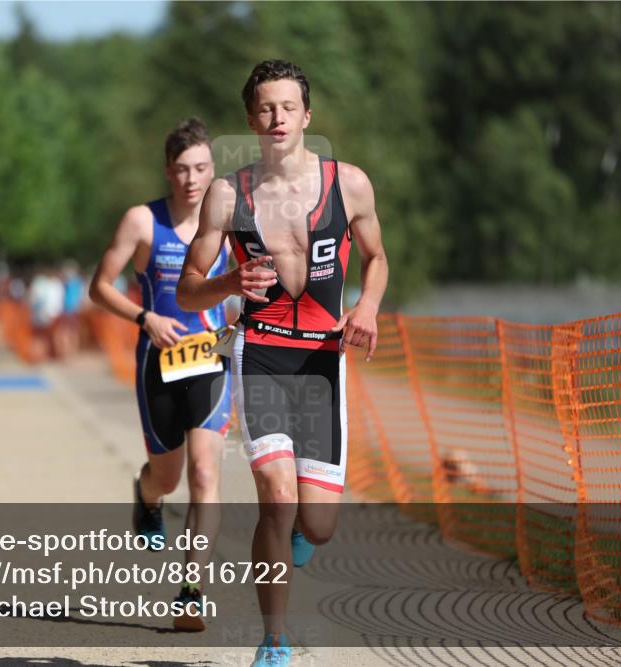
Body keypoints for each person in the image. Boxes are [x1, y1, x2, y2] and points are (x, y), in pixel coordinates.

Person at [176, 60, 388, 666]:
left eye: (288, 108)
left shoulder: (350, 185)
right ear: (250, 118)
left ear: (306, 116)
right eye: (265, 109)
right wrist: (228, 285)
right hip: (262, 350)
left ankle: (302, 529)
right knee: (274, 495)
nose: (277, 119)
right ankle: (275, 641)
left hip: (323, 358)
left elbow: (377, 257)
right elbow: (189, 290)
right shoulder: (227, 194)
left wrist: (367, 306)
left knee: (316, 524)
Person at [89, 118, 231, 632]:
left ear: (213, 170)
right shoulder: (142, 221)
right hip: (159, 362)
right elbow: (99, 286)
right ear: (167, 172)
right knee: (167, 479)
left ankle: (191, 592)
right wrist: (143, 317)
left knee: (205, 476)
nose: (192, 180)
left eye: (201, 169)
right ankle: (146, 495)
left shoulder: (233, 222)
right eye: (182, 170)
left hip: (212, 360)